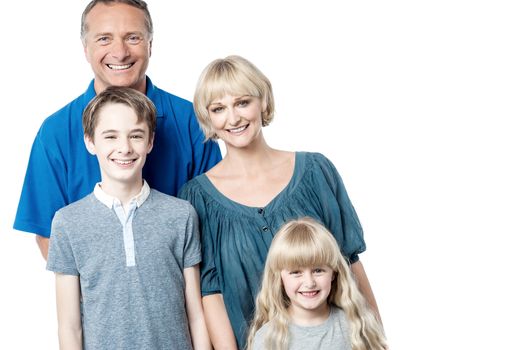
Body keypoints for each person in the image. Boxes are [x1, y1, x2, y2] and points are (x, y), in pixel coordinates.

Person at [178, 55, 381, 349]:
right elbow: (212, 293)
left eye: (242, 102)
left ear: (263, 101)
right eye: (219, 108)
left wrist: (378, 340)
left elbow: (349, 261)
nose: (233, 118)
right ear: (208, 117)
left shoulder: (316, 172)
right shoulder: (197, 198)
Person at [14, 0, 221, 260]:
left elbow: (214, 222)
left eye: (132, 38)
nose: (120, 52)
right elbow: (49, 234)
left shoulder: (192, 120)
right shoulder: (55, 132)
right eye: (104, 39)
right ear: (85, 49)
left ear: (150, 45)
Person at [46, 86, 211, 349]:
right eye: (110, 137)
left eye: (135, 135)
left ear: (150, 142)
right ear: (90, 142)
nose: (124, 148)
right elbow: (69, 326)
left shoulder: (181, 215)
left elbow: (196, 315)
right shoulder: (67, 223)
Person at [247, 217, 387, 350]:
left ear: (333, 273)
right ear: (279, 278)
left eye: (318, 270)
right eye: (296, 272)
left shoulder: (356, 327)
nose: (309, 282)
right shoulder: (267, 339)